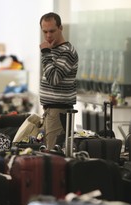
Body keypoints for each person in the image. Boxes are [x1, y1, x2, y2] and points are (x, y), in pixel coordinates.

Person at [39, 12, 79, 150]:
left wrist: (45, 54)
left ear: (61, 28)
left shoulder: (66, 51)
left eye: (52, 31)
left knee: (52, 155)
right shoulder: (52, 50)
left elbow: (54, 79)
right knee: (49, 151)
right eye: (45, 32)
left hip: (58, 110)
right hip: (51, 110)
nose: (48, 35)